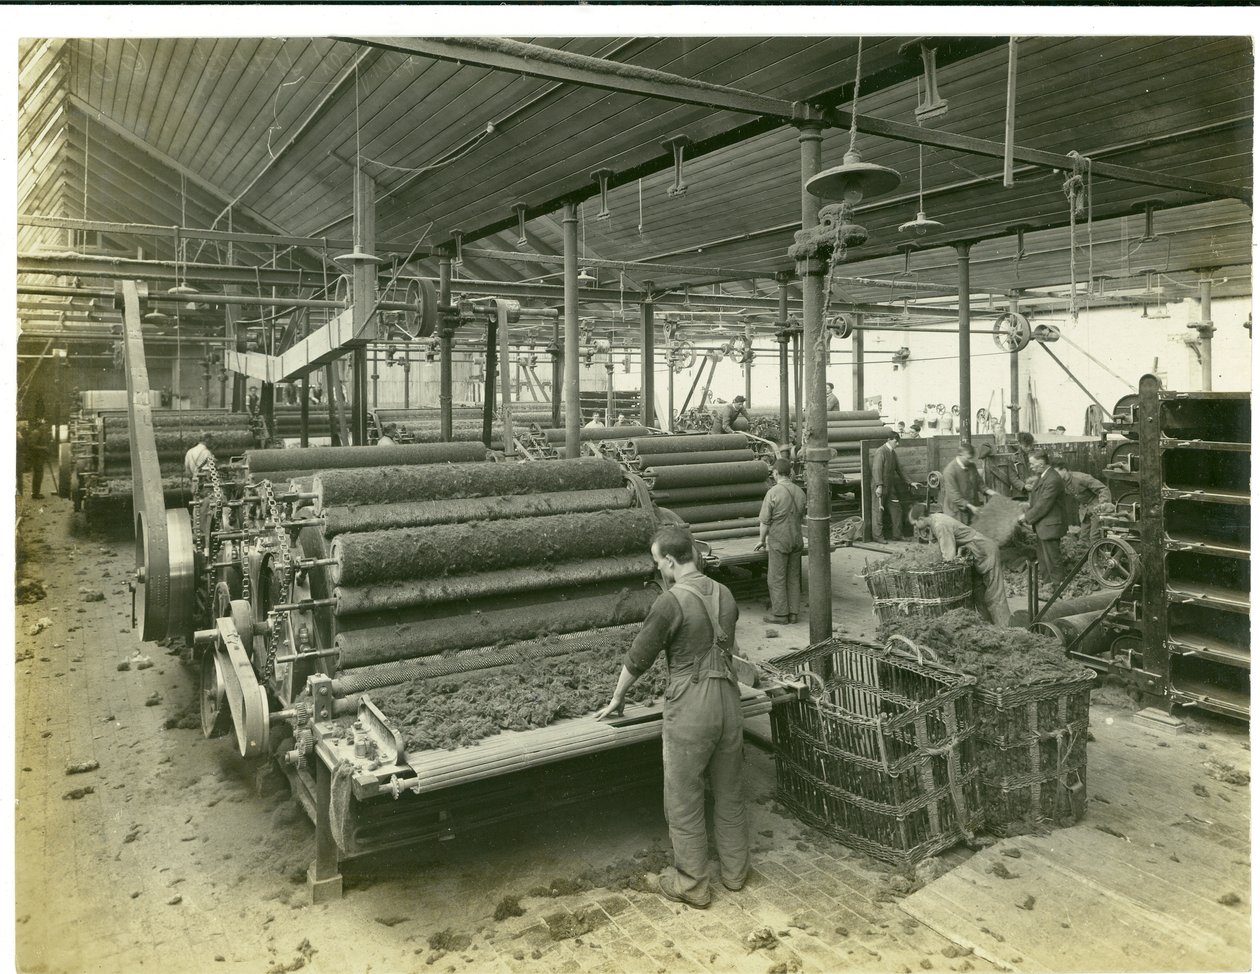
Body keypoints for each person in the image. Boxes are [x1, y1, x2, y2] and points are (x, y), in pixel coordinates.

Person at [595, 526, 749, 909]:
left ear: (669, 561)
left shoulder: (670, 602)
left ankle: (693, 884)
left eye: (656, 561)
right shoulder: (726, 594)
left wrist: (618, 696)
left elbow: (639, 656)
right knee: (729, 790)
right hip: (729, 700)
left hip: (692, 705)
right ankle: (735, 874)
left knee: (683, 795)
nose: (657, 568)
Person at [910, 504, 1011, 627]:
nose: (915, 527)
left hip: (985, 550)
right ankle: (989, 627)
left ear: (921, 519)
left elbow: (948, 556)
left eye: (915, 524)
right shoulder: (934, 519)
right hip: (975, 553)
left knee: (994, 593)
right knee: (978, 592)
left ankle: (1006, 628)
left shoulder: (940, 525)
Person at [755, 458, 806, 624]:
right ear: (790, 473)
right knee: (793, 577)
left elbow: (764, 522)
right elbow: (802, 517)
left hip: (779, 540)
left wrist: (761, 540)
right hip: (797, 539)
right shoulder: (800, 491)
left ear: (776, 473)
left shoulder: (773, 492)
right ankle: (793, 614)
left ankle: (780, 615)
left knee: (776, 578)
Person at [1019, 449, 1069, 590]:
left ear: (1041, 463)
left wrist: (1026, 517)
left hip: (1050, 525)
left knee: (1053, 557)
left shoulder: (1053, 479)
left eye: (1032, 463)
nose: (1030, 466)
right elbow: (1039, 498)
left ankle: (1058, 585)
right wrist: (1027, 505)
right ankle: (1048, 583)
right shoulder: (1043, 476)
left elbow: (1044, 504)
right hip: (1044, 525)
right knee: (1043, 556)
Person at [870, 432, 918, 542]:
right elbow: (876, 469)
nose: (897, 443)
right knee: (878, 512)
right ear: (889, 440)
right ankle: (878, 537)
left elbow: (900, 469)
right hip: (880, 488)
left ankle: (897, 535)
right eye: (895, 441)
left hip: (890, 488)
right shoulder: (880, 452)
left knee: (897, 510)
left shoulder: (892, 453)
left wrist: (910, 482)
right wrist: (879, 485)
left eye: (898, 441)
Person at [1051, 458, 1114, 542]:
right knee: (1083, 538)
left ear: (1064, 470)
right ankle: (1083, 554)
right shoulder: (1061, 482)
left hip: (1096, 506)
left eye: (1056, 473)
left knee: (1094, 537)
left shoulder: (1080, 478)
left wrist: (1103, 505)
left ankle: (1096, 555)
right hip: (1084, 509)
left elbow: (1103, 489)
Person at [941, 442, 996, 525]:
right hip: (956, 513)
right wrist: (971, 507)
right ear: (960, 455)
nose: (971, 461)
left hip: (972, 510)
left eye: (972, 458)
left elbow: (980, 484)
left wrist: (992, 493)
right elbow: (955, 496)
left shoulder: (971, 466)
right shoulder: (949, 471)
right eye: (969, 458)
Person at [26, 418, 50, 499]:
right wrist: (43, 448)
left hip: (40, 457)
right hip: (36, 457)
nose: (45, 426)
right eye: (44, 425)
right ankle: (35, 494)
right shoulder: (36, 433)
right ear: (40, 425)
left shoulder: (41, 433)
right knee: (38, 475)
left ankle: (36, 492)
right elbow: (31, 446)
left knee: (39, 475)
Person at [16, 421, 27, 496]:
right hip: (18, 457)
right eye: (23, 427)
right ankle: (19, 493)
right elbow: (21, 446)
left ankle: (19, 492)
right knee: (19, 475)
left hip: (18, 456)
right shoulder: (18, 435)